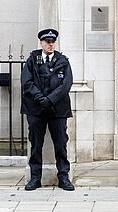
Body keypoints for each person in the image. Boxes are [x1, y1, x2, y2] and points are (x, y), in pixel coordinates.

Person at [21, 28, 75, 191]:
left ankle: (64, 177)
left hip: (57, 110)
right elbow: (27, 82)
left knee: (60, 144)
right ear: (41, 43)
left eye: (52, 42)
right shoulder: (32, 60)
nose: (50, 45)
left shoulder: (63, 61)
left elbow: (66, 84)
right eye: (47, 42)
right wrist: (41, 99)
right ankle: (35, 178)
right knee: (36, 145)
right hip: (36, 109)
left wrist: (49, 99)